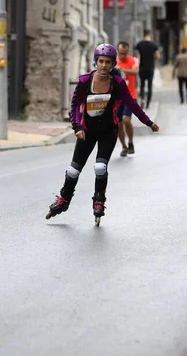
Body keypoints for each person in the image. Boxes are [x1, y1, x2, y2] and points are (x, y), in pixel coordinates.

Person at [46, 44, 160, 225]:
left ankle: (99, 200)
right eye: (101, 61)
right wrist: (77, 127)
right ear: (96, 62)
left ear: (113, 63)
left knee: (100, 167)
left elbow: (132, 105)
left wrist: (149, 122)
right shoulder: (84, 82)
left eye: (108, 62)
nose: (104, 65)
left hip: (108, 131)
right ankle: (64, 200)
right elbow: (75, 106)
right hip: (87, 132)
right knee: (73, 170)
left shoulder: (118, 84)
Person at [115, 41, 139, 157]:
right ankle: (124, 146)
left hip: (130, 96)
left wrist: (119, 70)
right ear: (117, 51)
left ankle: (130, 141)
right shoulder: (113, 61)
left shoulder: (133, 60)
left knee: (126, 120)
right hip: (117, 98)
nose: (123, 56)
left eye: (125, 53)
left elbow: (135, 71)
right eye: (120, 53)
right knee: (118, 124)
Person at [135, 30, 161, 108]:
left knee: (142, 85)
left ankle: (142, 99)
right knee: (149, 85)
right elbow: (158, 56)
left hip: (142, 67)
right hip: (150, 67)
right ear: (150, 35)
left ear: (143, 34)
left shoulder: (139, 44)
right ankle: (148, 103)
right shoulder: (154, 45)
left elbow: (136, 56)